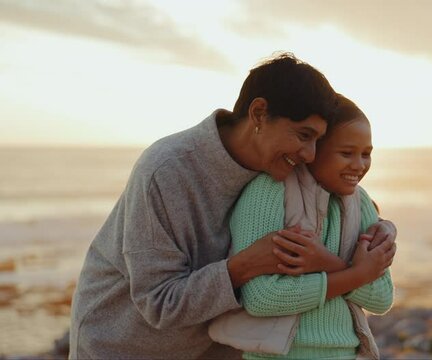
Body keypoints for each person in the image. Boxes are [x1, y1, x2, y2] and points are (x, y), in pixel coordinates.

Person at [68, 53, 397, 359]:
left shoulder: (282, 163)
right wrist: (243, 266)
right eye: (303, 135)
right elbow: (160, 304)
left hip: (212, 346)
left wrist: (381, 226)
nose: (310, 154)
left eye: (317, 141)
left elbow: (333, 200)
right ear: (258, 114)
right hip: (123, 344)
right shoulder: (167, 171)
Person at [210, 94, 395, 359]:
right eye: (346, 153)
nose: (359, 165)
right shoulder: (269, 191)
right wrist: (356, 275)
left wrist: (326, 262)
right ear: (313, 151)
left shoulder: (361, 202)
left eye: (366, 154)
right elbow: (261, 298)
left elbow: (383, 298)